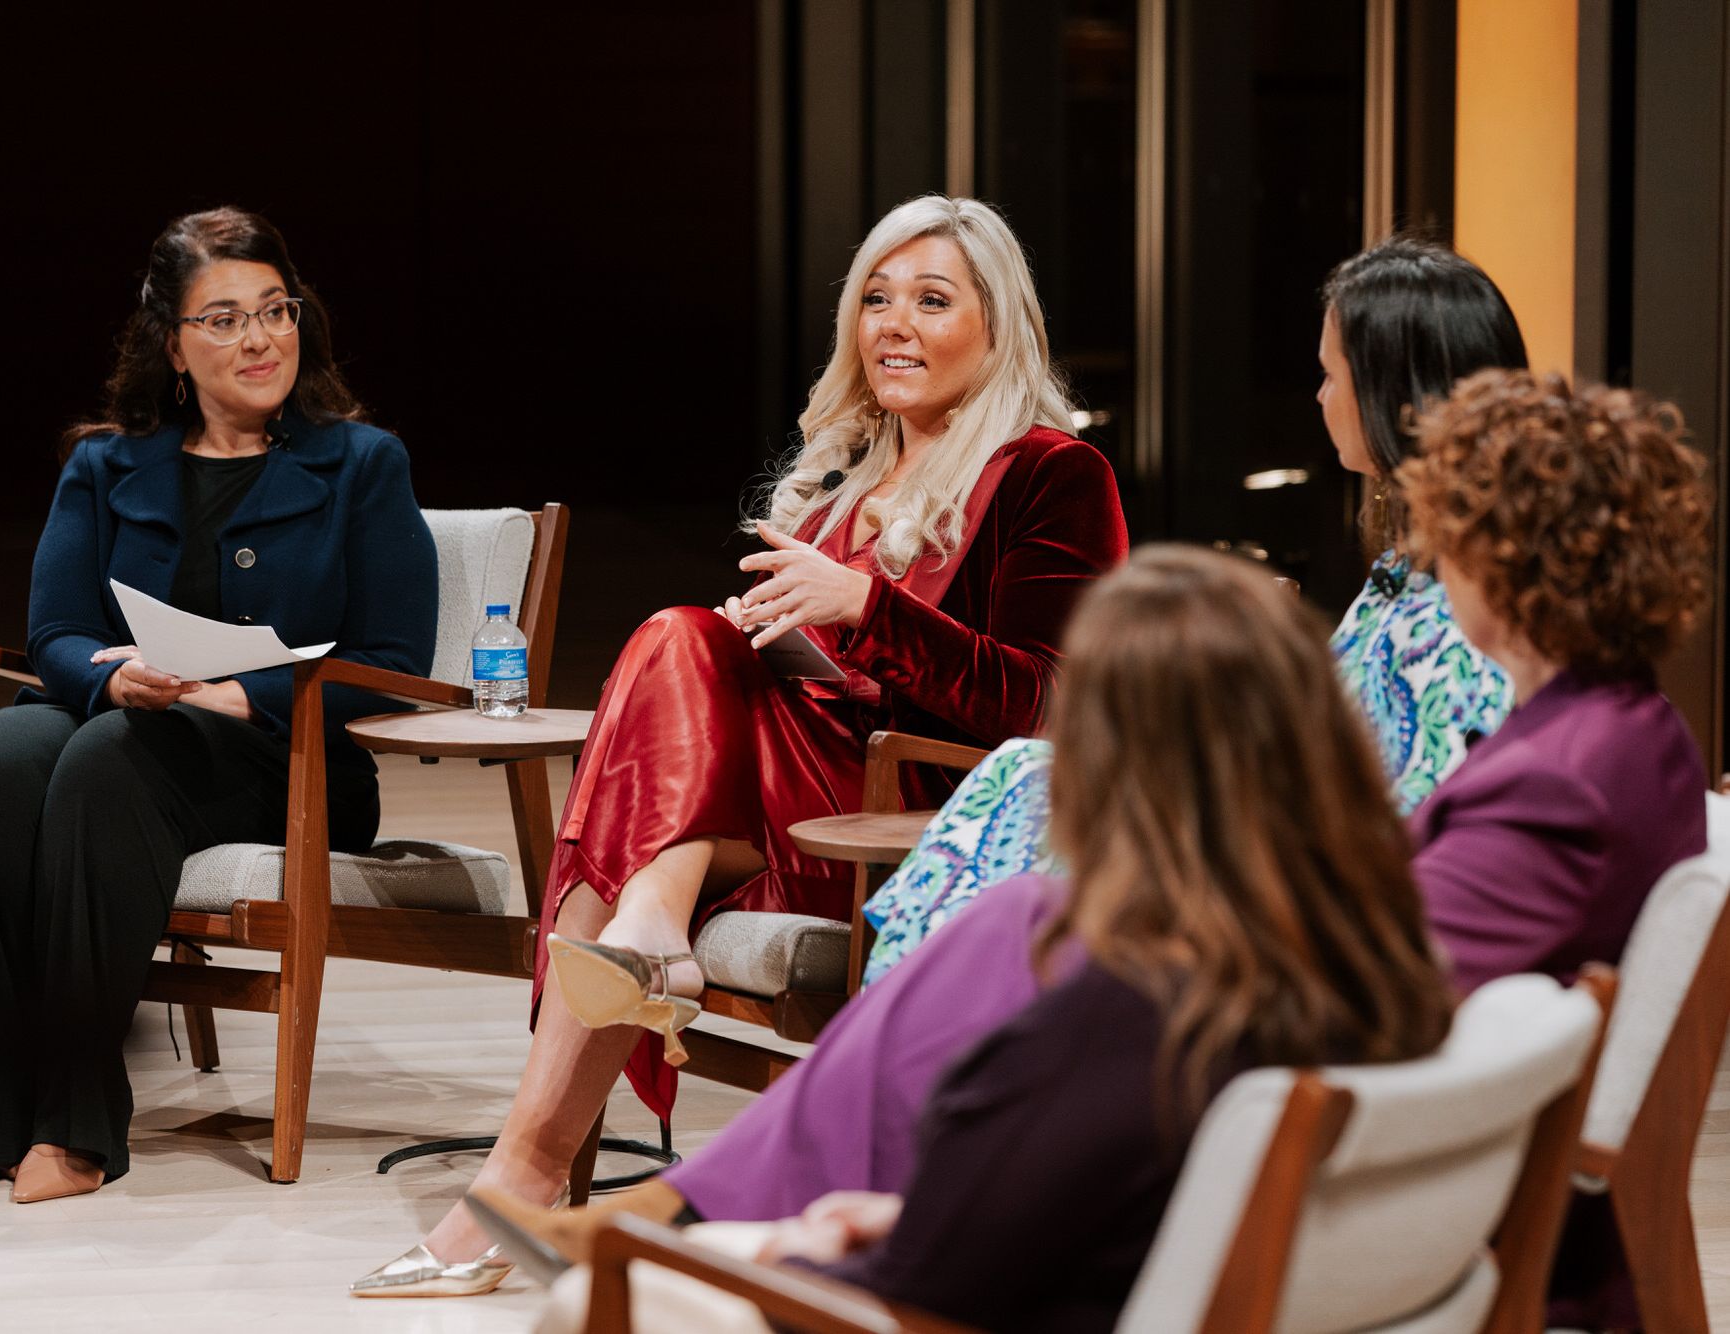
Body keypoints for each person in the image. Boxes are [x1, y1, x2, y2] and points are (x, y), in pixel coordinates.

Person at [351, 194, 1127, 1296]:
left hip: (898, 830)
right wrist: (773, 645)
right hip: (775, 804)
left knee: (668, 677)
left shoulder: (1051, 473)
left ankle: (524, 1166)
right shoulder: (844, 480)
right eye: (875, 297)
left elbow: (1050, 707)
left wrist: (868, 609)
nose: (893, 324)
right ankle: (645, 936)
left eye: (932, 299)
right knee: (684, 638)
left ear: (1000, 327)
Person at [494, 546, 1456, 1333]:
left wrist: (823, 1243)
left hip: (955, 1306)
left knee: (585, 1304)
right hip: (1180, 1285)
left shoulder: (1117, 1010)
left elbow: (934, 1283)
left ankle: (631, 1214)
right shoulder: (1377, 973)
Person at [0, 207, 437, 1202]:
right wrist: (110, 675)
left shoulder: (362, 465)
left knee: (111, 761)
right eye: (225, 318)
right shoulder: (104, 464)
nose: (258, 338)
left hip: (284, 759)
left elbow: (393, 661)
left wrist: (242, 690)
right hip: (127, 715)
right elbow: (57, 632)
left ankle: (76, 1128)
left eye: (275, 310)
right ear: (172, 346)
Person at [861, 236, 1523, 983]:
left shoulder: (1465, 611)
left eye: (1330, 375)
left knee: (1030, 798)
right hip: (1272, 838)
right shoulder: (1415, 569)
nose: (1318, 398)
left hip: (1296, 886)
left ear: (1395, 401)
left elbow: (1396, 804)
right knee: (1029, 783)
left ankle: (935, 1035)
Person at [1401, 369, 1711, 1331]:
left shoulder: (1558, 781)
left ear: (1501, 554)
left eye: (1446, 530)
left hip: (1429, 1199)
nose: (1432, 555)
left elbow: (1390, 1000)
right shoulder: (1630, 721)